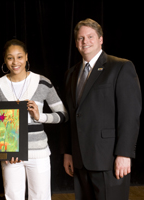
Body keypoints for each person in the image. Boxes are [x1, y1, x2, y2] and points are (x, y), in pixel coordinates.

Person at [61, 18, 141, 199]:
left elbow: (130, 115)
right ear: (76, 43)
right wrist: (68, 152)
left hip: (109, 159)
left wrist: (124, 153)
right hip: (80, 159)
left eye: (90, 36)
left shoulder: (120, 67)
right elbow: (71, 116)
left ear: (101, 39)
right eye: (81, 38)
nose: (85, 42)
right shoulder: (71, 74)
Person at [0, 39, 68, 200]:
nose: (15, 62)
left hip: (38, 152)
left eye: (19, 57)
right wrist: (5, 152)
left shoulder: (43, 83)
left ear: (26, 57)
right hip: (10, 155)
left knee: (40, 197)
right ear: (5, 60)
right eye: (10, 58)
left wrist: (41, 116)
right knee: (12, 197)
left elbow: (63, 114)